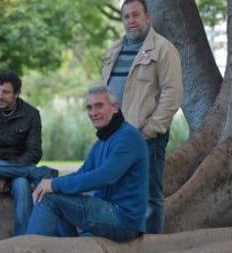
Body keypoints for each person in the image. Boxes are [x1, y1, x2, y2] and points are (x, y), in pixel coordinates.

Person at [100, 0, 183, 234]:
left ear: (147, 17)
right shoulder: (114, 50)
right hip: (114, 138)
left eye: (136, 15)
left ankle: (151, 245)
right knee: (115, 189)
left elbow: (172, 94)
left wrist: (150, 130)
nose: (131, 21)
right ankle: (127, 242)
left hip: (146, 137)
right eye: (126, 17)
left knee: (149, 195)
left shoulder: (164, 49)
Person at [26, 85, 149, 242]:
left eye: (99, 106)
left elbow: (104, 177)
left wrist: (54, 185)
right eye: (89, 108)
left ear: (115, 108)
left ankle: (29, 252)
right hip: (105, 210)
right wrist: (52, 184)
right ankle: (69, 250)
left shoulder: (128, 137)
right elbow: (82, 174)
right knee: (48, 192)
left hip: (123, 219)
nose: (93, 112)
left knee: (49, 198)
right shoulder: (102, 141)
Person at [0, 70, 58, 236]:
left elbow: (34, 151)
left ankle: (24, 239)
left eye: (6, 92)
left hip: (16, 174)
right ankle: (37, 173)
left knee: (22, 183)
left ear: (17, 93)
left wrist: (5, 175)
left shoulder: (31, 114)